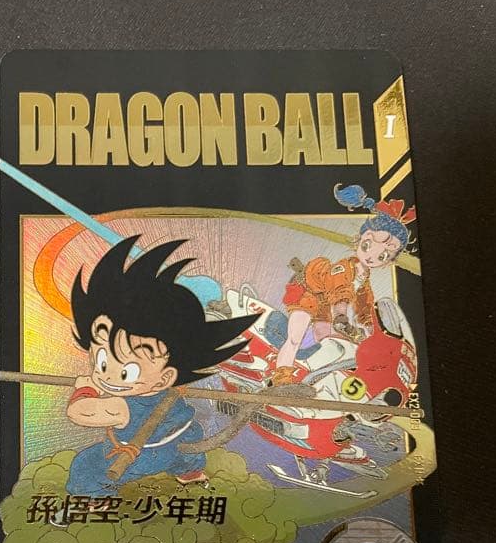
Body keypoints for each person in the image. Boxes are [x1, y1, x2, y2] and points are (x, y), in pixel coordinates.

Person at [66, 237, 257, 496]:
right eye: (101, 361)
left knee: (86, 465)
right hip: (184, 441)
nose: (106, 375)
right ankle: (190, 472)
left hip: (145, 455)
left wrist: (85, 389)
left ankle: (94, 499)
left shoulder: (122, 406)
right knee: (186, 437)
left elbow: (80, 413)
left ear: (166, 377)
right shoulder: (165, 386)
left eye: (126, 371)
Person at [270, 184, 415, 386]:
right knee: (295, 336)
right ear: (360, 239)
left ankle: (305, 369)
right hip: (307, 293)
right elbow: (340, 291)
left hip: (323, 303)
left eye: (382, 256)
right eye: (367, 245)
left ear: (389, 261)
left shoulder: (364, 280)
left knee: (325, 334)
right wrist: (340, 315)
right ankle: (281, 379)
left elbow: (365, 307)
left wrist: (371, 331)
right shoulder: (345, 267)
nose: (371, 257)